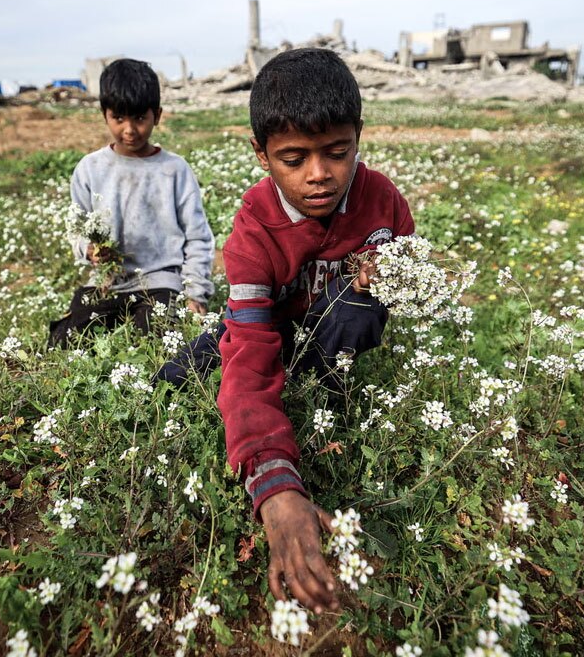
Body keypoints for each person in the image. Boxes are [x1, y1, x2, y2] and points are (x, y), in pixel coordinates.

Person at [158, 48, 414, 614]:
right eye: (293, 159)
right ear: (262, 154)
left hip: (333, 336)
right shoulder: (254, 230)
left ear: (358, 138)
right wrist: (274, 484)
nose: (319, 175)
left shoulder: (383, 202)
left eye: (337, 153)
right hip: (270, 326)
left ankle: (325, 387)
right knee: (186, 373)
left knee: (354, 308)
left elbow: (409, 268)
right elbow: (250, 350)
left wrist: (387, 279)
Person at [49, 59, 214, 348]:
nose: (129, 129)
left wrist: (195, 293)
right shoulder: (90, 168)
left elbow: (198, 236)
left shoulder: (174, 169)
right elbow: (77, 228)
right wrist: (89, 251)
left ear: (157, 115)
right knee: (66, 339)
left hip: (159, 280)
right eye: (119, 118)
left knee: (156, 337)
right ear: (105, 115)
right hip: (107, 281)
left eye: (139, 118)